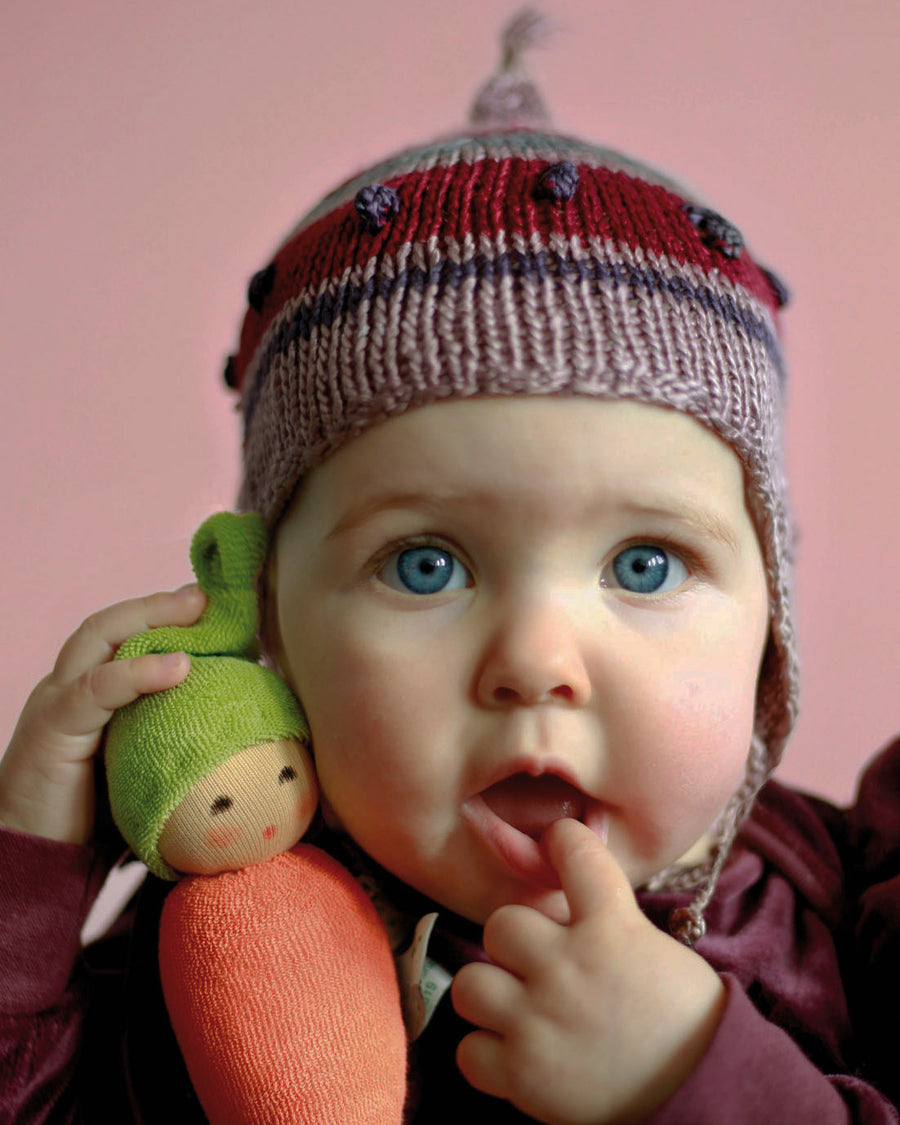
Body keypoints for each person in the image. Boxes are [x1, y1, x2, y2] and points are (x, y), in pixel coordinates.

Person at [1, 10, 898, 1123]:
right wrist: (31, 875)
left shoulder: (850, 909)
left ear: (773, 625)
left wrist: (698, 1076)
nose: (535, 662)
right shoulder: (227, 948)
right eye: (425, 566)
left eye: (647, 564)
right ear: (276, 621)